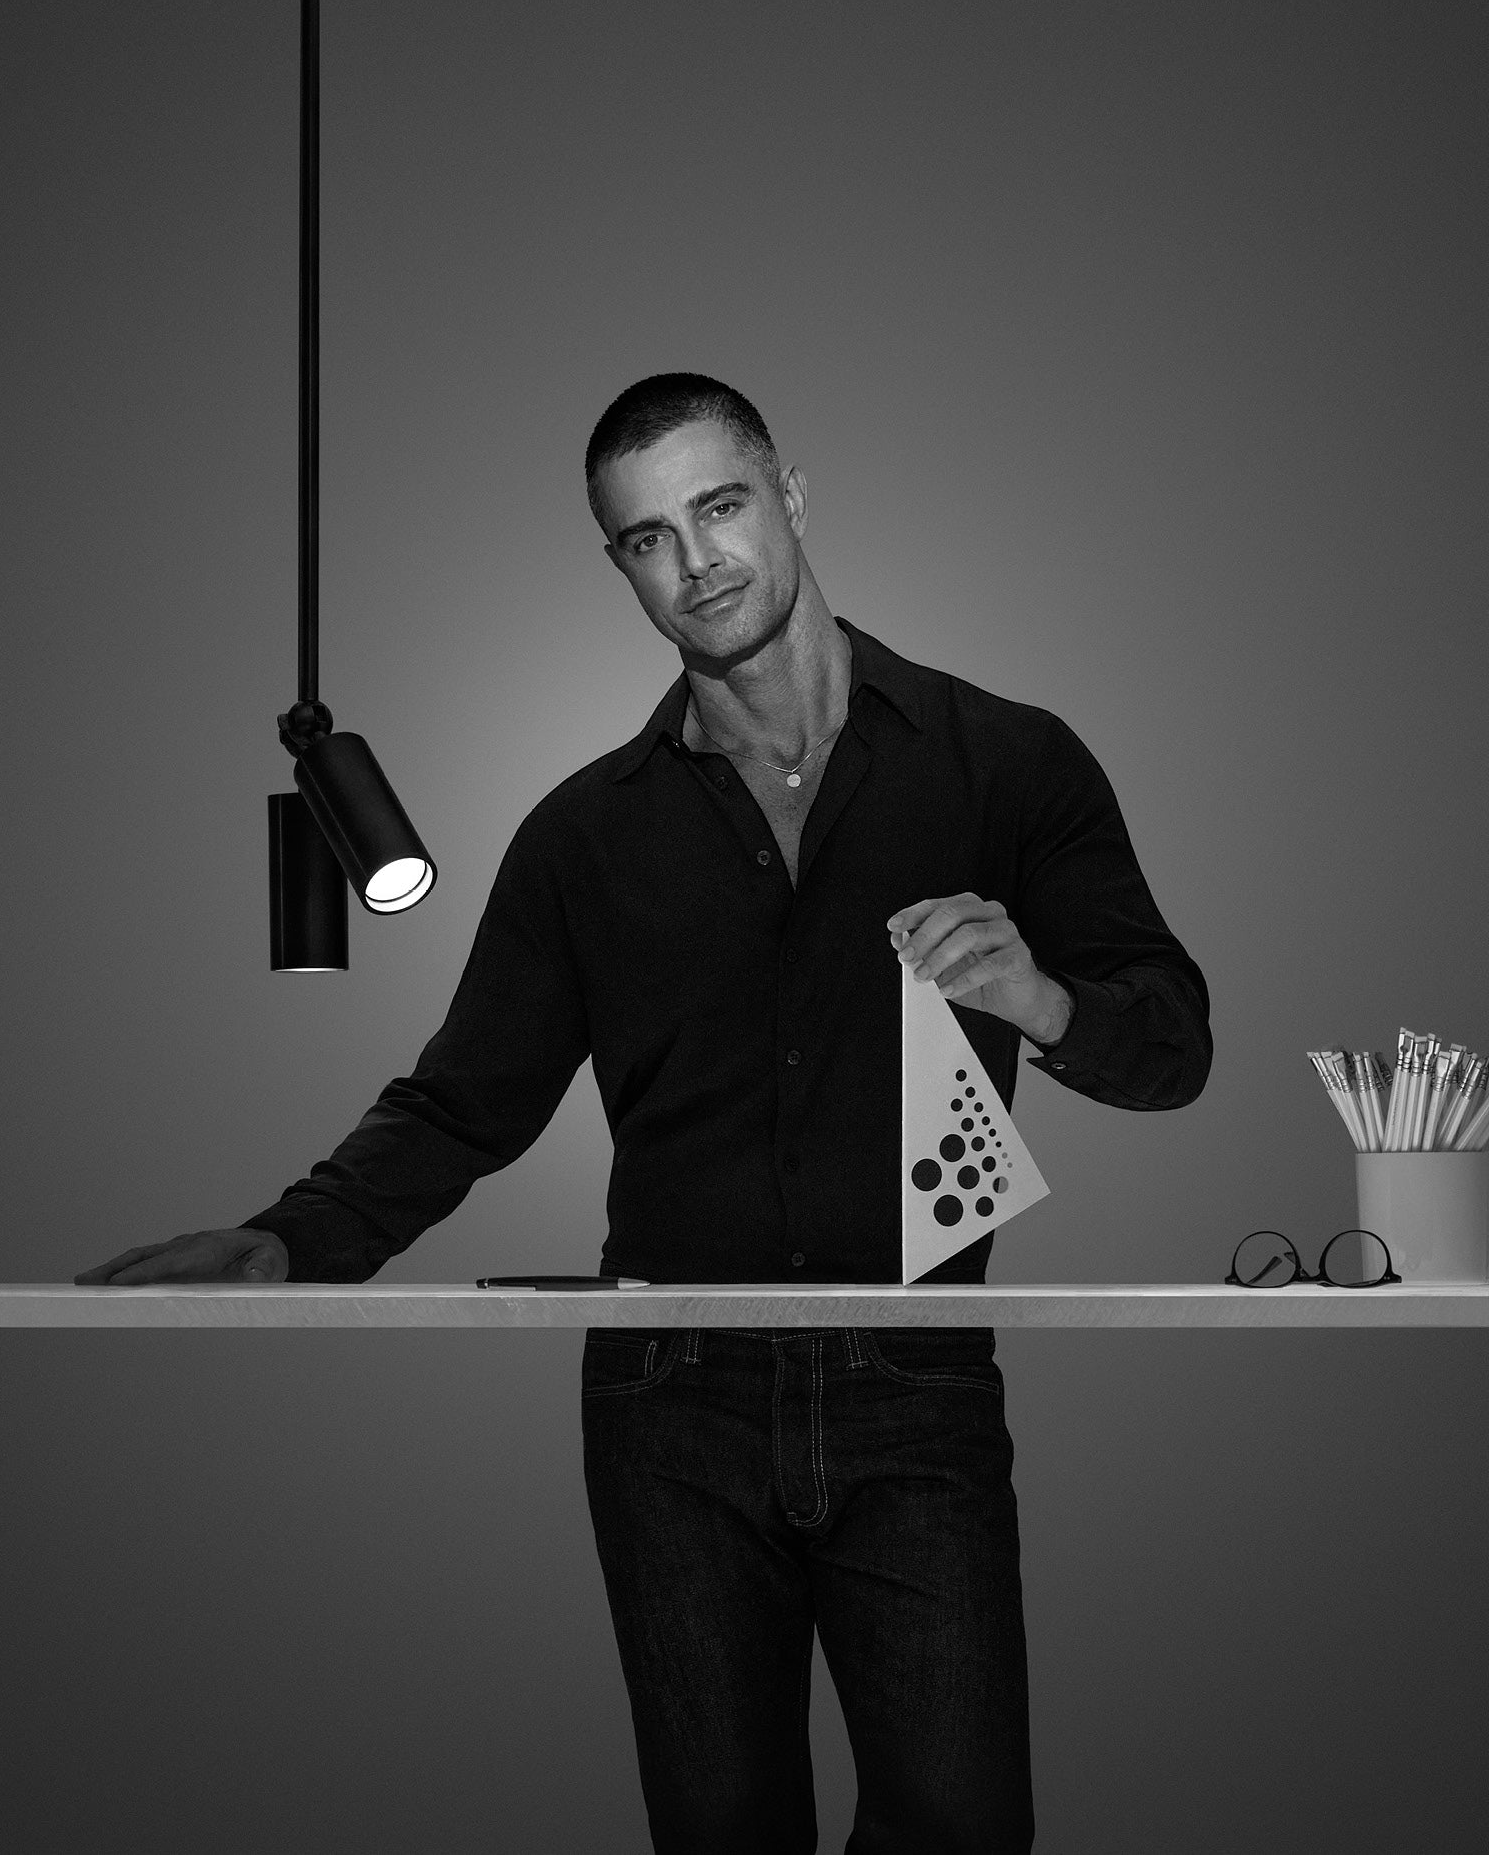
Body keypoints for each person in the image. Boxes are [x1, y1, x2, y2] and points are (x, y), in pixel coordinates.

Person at [78, 373, 1211, 1855]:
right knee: (717, 1835)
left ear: (791, 498)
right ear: (620, 567)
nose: (698, 563)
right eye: (648, 539)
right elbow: (462, 1103)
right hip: (669, 1408)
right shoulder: (582, 837)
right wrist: (289, 1243)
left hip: (917, 1386)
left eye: (722, 508)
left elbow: (1172, 1044)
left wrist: (1043, 1001)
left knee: (961, 1827)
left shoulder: (1009, 761)